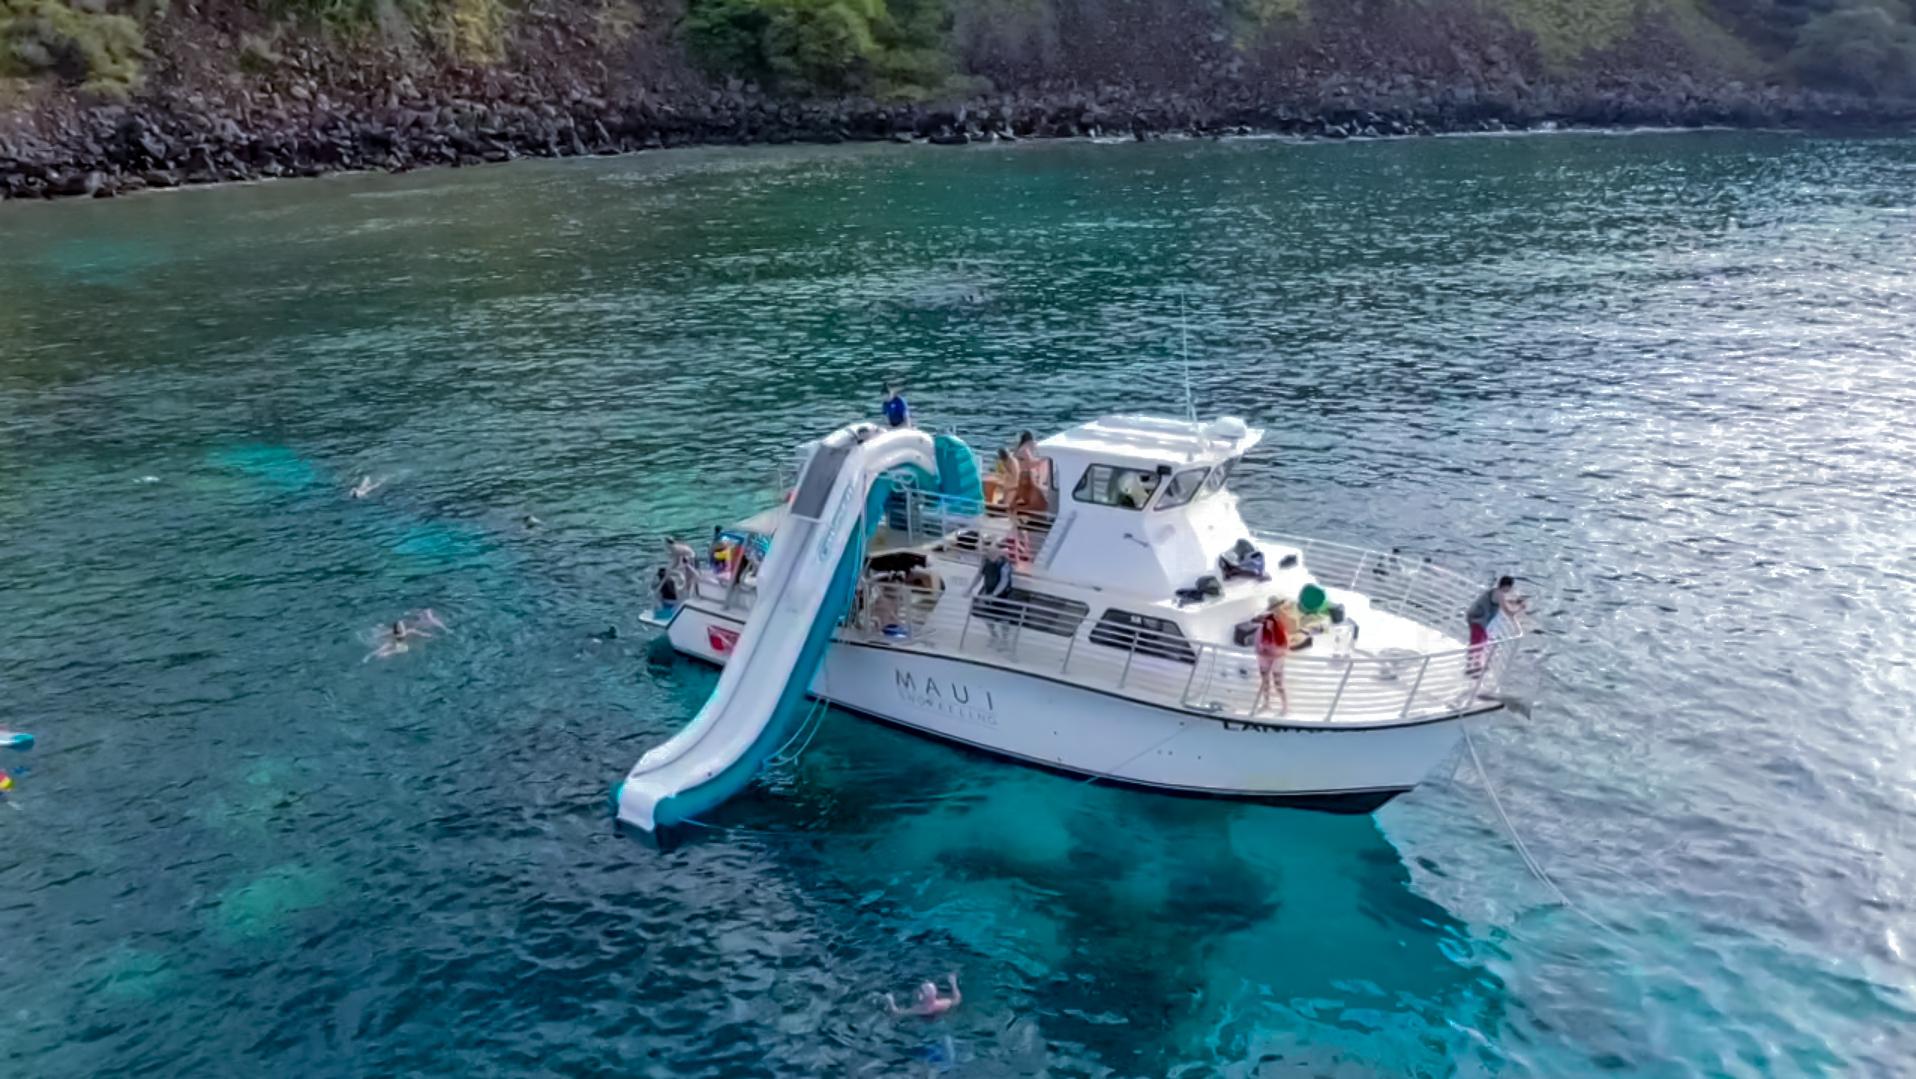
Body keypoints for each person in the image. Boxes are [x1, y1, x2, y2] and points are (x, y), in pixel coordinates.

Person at [1466, 576, 1525, 676]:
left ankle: (1474, 665)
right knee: (1478, 642)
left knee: (1482, 639)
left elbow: (1505, 602)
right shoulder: (1500, 594)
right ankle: (1472, 667)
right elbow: (1508, 612)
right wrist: (1519, 609)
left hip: (1476, 617)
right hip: (1477, 619)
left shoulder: (1496, 591)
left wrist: (1515, 603)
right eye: (1510, 587)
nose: (1511, 589)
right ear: (1507, 586)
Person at [1251, 597, 1292, 715]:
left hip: (1276, 659)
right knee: (1265, 682)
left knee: (1278, 682)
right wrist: (1262, 651)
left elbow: (1284, 645)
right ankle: (1266, 703)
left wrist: (1273, 653)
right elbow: (1257, 643)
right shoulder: (1263, 628)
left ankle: (1285, 706)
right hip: (1264, 658)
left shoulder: (1280, 627)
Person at [971, 543, 1015, 649]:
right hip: (989, 591)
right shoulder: (985, 561)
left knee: (1003, 618)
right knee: (987, 616)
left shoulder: (1005, 564)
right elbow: (979, 575)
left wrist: (994, 594)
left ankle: (1005, 640)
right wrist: (970, 588)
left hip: (1003, 594)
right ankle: (994, 635)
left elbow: (1004, 581)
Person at [886, 973, 961, 1018]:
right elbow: (957, 1000)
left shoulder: (920, 1009)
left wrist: (890, 1001)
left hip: (925, 1019)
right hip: (937, 1014)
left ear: (922, 996)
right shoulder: (943, 1003)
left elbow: (896, 1012)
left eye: (921, 990)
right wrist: (953, 984)